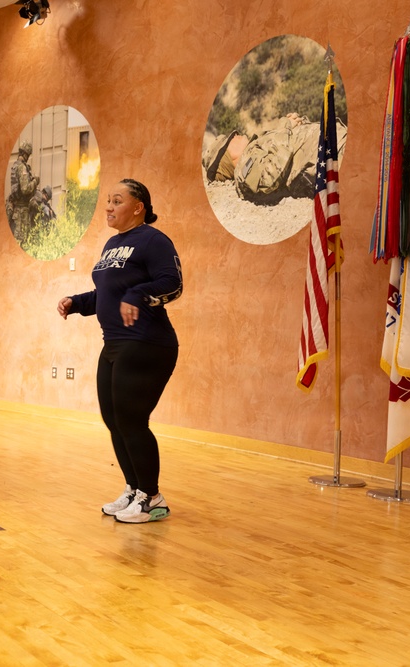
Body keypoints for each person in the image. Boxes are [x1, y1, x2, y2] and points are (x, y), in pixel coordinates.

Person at [57, 179, 183, 523]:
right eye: (107, 202)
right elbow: (108, 294)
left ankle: (153, 498)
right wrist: (77, 302)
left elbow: (172, 283)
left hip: (147, 343)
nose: (108, 207)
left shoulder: (154, 240)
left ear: (138, 206)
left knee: (131, 419)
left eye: (116, 201)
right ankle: (134, 488)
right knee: (113, 420)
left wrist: (137, 295)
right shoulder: (113, 245)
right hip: (113, 343)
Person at [203, 112, 347, 204]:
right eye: (230, 140)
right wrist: (285, 127)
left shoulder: (254, 151)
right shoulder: (244, 167)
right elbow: (269, 178)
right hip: (334, 156)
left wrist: (295, 126)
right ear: (227, 157)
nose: (235, 135)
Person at [6, 141, 41, 241]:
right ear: (25, 154)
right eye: (28, 155)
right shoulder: (22, 167)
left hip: (18, 210)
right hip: (21, 212)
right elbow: (25, 189)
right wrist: (35, 181)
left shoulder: (15, 165)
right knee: (22, 242)